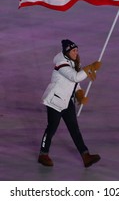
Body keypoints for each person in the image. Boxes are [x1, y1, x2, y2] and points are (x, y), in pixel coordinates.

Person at [38, 39, 101, 168]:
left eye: (77, 50)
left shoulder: (73, 63)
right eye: (73, 50)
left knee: (74, 129)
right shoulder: (61, 64)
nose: (76, 53)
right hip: (55, 101)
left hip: (67, 101)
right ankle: (43, 154)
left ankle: (85, 155)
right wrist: (90, 68)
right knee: (52, 128)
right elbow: (75, 77)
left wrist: (79, 94)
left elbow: (75, 83)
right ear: (67, 51)